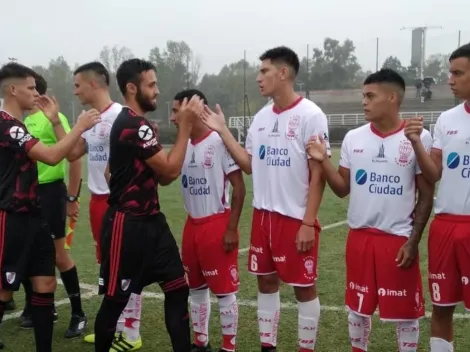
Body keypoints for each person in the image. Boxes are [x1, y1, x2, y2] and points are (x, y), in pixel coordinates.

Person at [201, 46, 328, 352]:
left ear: (283, 73)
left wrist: (308, 222)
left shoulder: (311, 115)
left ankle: (305, 348)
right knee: (265, 283)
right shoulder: (259, 118)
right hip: (262, 217)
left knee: (304, 288)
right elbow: (249, 165)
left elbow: (319, 173)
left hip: (295, 218)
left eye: (264, 71)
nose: (258, 78)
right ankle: (267, 347)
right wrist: (222, 130)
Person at [306, 69, 434, 352]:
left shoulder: (418, 138)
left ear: (391, 98)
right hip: (360, 238)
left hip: (397, 239)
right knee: (357, 308)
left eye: (370, 96)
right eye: (363, 95)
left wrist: (413, 242)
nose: (364, 101)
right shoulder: (354, 137)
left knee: (406, 313)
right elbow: (342, 188)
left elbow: (426, 196)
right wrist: (323, 160)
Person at [94, 58, 203, 352]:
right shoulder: (133, 123)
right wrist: (186, 127)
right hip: (126, 226)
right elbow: (168, 171)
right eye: (151, 84)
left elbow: (163, 175)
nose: (157, 90)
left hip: (153, 222)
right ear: (132, 88)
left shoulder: (141, 125)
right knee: (115, 300)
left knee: (177, 289)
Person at [0, 62, 99, 351]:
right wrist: (80, 125)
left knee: (45, 285)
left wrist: (57, 121)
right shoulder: (8, 126)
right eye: (30, 88)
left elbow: (68, 155)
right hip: (12, 218)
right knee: (4, 291)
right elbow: (54, 156)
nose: (35, 93)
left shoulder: (19, 124)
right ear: (12, 89)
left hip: (36, 216)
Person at [66, 61, 144, 350]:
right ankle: (118, 327)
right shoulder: (92, 118)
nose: (75, 92)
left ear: (93, 84)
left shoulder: (118, 117)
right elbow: (72, 152)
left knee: (126, 266)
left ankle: (132, 334)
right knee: (109, 268)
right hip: (96, 201)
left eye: (77, 85)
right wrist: (59, 123)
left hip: (117, 203)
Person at [404, 44, 470, 352]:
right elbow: (433, 174)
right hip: (445, 226)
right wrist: (416, 142)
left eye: (457, 73)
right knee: (442, 306)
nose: (449, 80)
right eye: (450, 72)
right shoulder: (446, 119)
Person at [169, 89, 246, 352]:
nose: (171, 118)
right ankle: (200, 342)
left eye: (175, 110)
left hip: (216, 224)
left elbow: (239, 187)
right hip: (192, 225)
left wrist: (232, 228)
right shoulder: (184, 144)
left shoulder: (219, 141)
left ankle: (229, 346)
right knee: (196, 288)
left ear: (194, 110)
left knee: (224, 291)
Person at [20, 73, 87, 337]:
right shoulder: (24, 120)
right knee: (26, 252)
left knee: (59, 256)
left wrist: (72, 198)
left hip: (51, 195)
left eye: (32, 88)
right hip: (28, 195)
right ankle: (38, 307)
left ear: (38, 92)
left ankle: (78, 313)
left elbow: (74, 158)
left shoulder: (54, 118)